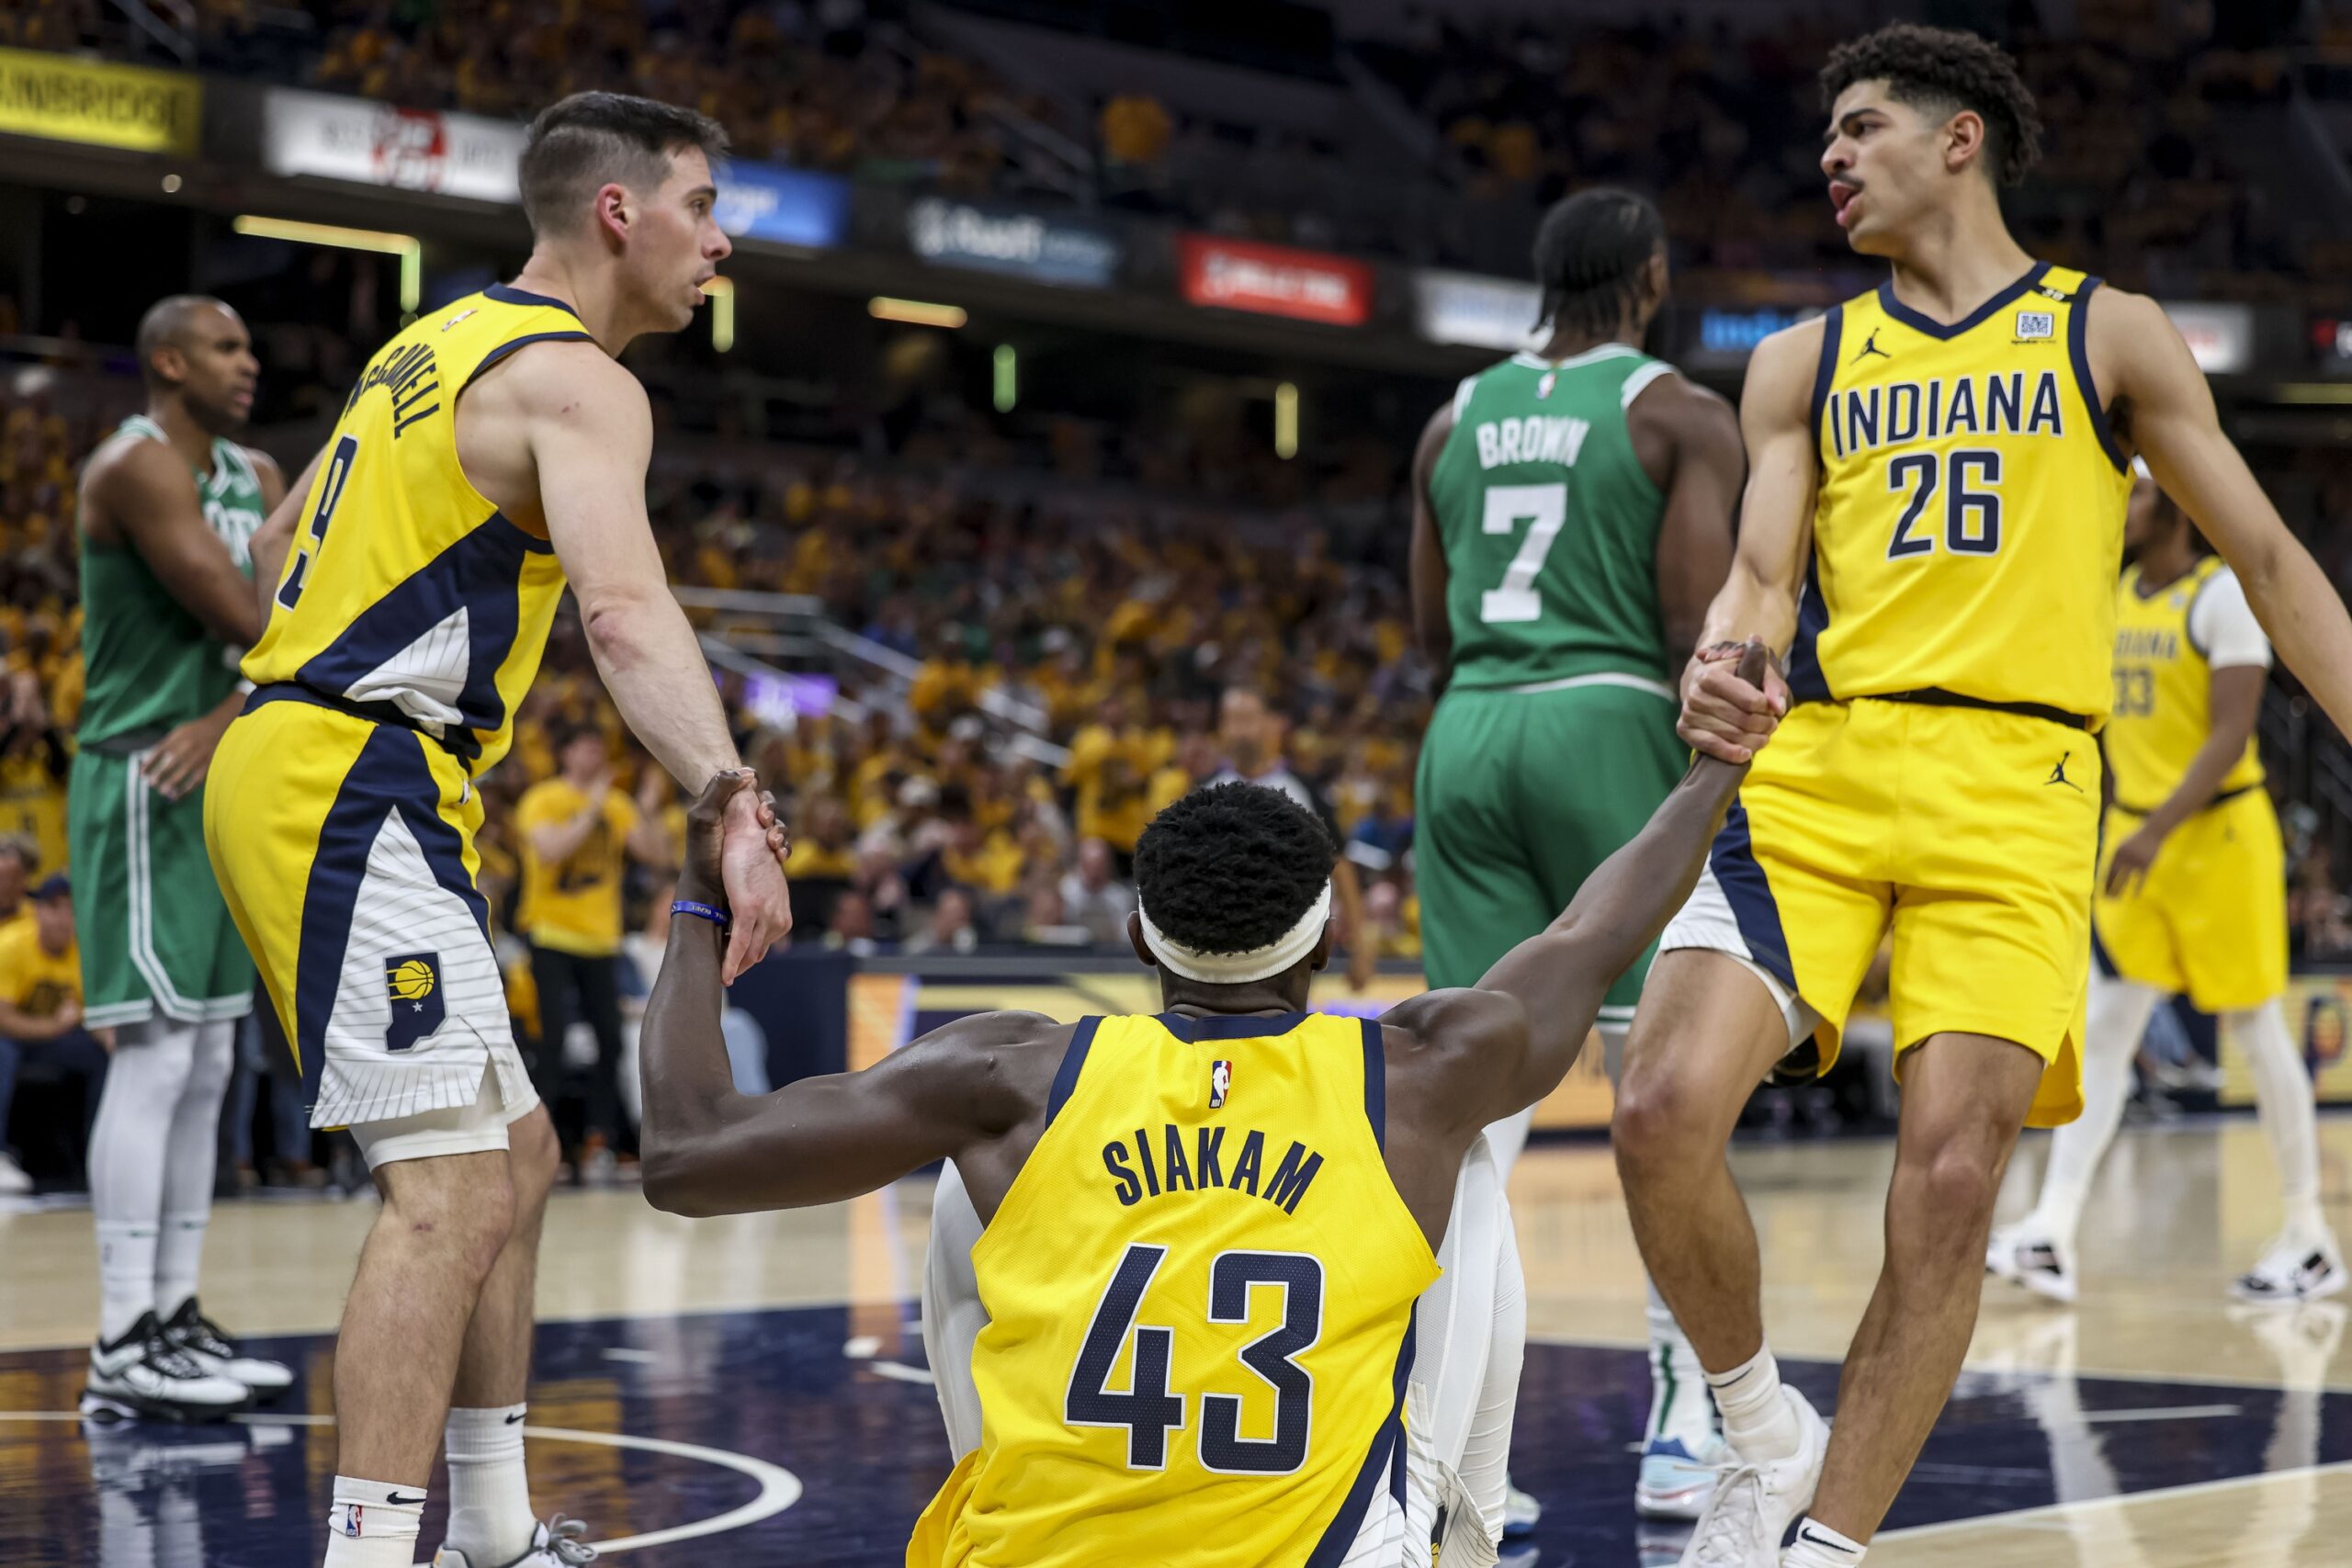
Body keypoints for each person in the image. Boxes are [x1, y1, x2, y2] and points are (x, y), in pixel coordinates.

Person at [1614, 26, 2352, 1568]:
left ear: (1962, 142)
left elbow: (2275, 566)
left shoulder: (2112, 335)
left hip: (2020, 783)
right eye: (1825, 130)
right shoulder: (1802, 358)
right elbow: (1761, 573)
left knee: (1951, 1181)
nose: (1831, 152)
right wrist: (1722, 662)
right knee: (1658, 1105)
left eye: (1862, 123)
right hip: (1822, 764)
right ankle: (1759, 1432)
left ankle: (1821, 1548)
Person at [636, 649, 1771, 1568]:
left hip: (1046, 1551)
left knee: (963, 1188)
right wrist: (1716, 760)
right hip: (1327, 1547)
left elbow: (686, 1156)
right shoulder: (1418, 1073)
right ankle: (1463, 1525)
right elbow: (1589, 934)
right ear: (1326, 936)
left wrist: (697, 894)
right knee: (1466, 1170)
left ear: (1137, 939)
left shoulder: (1003, 1076)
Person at [201, 93, 793, 1568]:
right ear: (618, 212)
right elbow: (620, 609)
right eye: (703, 205)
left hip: (345, 762)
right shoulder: (579, 381)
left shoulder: (430, 343)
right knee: (450, 1190)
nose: (720, 242)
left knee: (519, 1152)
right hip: (352, 772)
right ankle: (367, 1552)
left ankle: (496, 1527)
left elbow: (278, 549)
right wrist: (730, 796)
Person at [1408, 185, 1745, 1525]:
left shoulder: (1453, 416)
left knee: (1468, 1098)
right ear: (1651, 280)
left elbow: (1426, 624)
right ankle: (1677, 1419)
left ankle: (1444, 1453)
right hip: (1609, 718)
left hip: (1470, 723)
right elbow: (1691, 620)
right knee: (1654, 1080)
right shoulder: (1674, 411)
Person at [1987, 466, 2345, 1303]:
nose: (2122, 505)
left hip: (2217, 835)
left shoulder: (2219, 598)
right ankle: (2052, 1231)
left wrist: (2148, 829)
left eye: (2138, 494)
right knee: (2108, 1028)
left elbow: (2229, 736)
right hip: (2141, 838)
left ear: (2175, 508)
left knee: (2256, 1028)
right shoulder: (2116, 595)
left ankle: (2309, 1233)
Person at [72, 295, 294, 1423]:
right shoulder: (137, 466)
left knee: (210, 1062)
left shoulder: (252, 470)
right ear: (168, 360)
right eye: (225, 346)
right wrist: (240, 691)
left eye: (250, 346)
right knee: (154, 1059)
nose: (249, 363)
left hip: (213, 767)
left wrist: (233, 715)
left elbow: (278, 628)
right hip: (142, 773)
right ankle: (121, 1336)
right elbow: (264, 618)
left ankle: (174, 1315)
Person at [515, 727, 671, 1181]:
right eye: (585, 745)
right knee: (554, 1041)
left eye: (599, 748)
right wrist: (595, 805)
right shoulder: (543, 799)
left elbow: (657, 856)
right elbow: (550, 851)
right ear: (565, 753)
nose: (595, 753)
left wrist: (646, 806)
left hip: (602, 939)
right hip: (552, 936)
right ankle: (543, 1145)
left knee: (611, 1042)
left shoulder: (616, 805)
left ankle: (598, 1142)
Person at [1209, 685, 1376, 991]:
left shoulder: (1303, 789)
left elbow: (1341, 867)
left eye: (1247, 718)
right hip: (1223, 949)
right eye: (1230, 719)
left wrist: (1360, 949)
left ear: (1273, 724)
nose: (1238, 729)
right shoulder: (1205, 792)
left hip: (1292, 950)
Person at [0, 875, 110, 1196]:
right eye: (54, 909)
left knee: (99, 1057)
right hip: (11, 1036)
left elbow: (94, 1018)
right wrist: (54, 1026)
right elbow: (3, 1018)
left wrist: (113, 1042)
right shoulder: (11, 944)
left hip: (53, 1041)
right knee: (2, 1054)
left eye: (72, 910)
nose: (64, 919)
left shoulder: (85, 953)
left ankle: (100, 1154)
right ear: (37, 912)